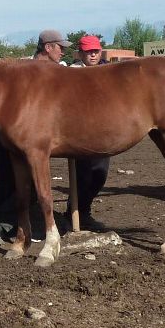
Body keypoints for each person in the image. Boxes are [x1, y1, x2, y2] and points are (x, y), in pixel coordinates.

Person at [0, 29, 72, 237]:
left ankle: (32, 216)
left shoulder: (62, 70)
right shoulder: (22, 69)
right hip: (17, 128)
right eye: (60, 47)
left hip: (46, 130)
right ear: (48, 47)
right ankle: (9, 217)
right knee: (10, 173)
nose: (63, 51)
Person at [67, 35, 111, 231]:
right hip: (80, 132)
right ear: (81, 53)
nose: (92, 55)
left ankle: (83, 209)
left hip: (103, 130)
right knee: (83, 174)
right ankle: (76, 212)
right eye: (88, 52)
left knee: (100, 174)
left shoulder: (109, 71)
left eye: (95, 51)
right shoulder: (72, 73)